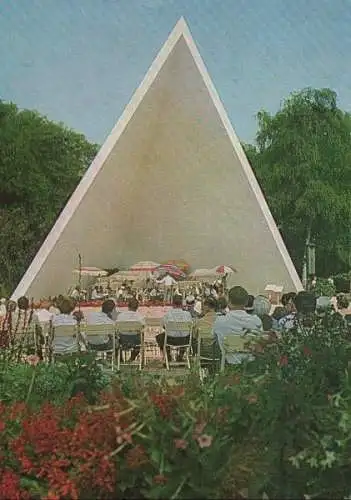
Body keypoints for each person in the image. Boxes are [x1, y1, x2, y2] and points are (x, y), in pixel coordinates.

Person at [213, 286, 262, 365]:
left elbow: (213, 338)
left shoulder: (220, 321)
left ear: (228, 301)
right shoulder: (256, 321)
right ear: (246, 302)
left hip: (228, 366)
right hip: (251, 367)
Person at [156, 295, 193, 362]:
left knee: (160, 337)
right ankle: (180, 356)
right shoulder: (187, 314)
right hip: (184, 340)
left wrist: (171, 329)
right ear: (182, 303)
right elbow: (190, 326)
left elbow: (163, 326)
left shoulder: (168, 314)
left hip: (170, 340)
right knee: (189, 335)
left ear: (172, 304)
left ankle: (168, 356)